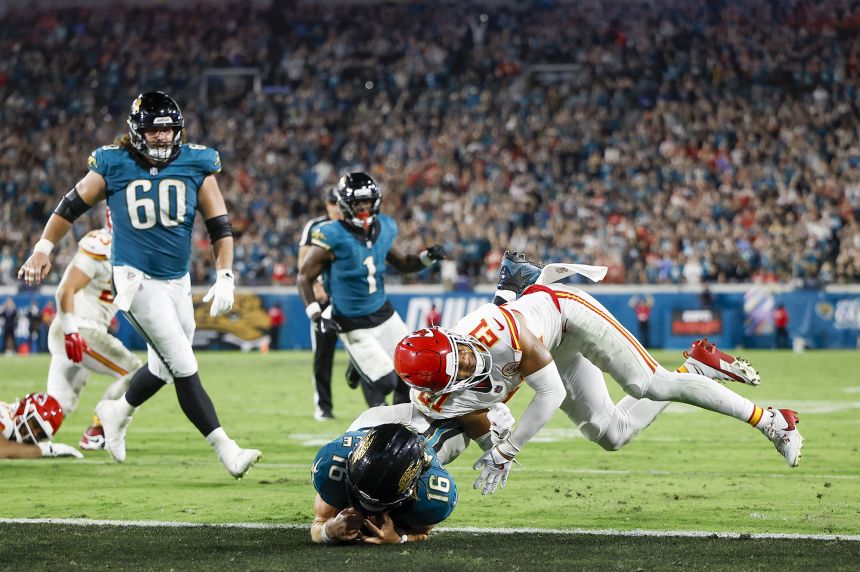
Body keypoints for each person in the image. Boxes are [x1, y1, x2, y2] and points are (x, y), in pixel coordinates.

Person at [393, 256, 802, 496]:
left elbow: (548, 394)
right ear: (440, 388)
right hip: (545, 348)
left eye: (461, 352)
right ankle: (694, 367)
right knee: (612, 434)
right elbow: (476, 415)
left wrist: (508, 450)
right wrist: (491, 440)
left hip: (566, 316)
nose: (470, 359)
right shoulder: (440, 399)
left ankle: (772, 420)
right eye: (461, 368)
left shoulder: (498, 332)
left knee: (650, 385)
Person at [17, 91, 261, 479]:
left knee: (161, 368)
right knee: (182, 362)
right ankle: (226, 448)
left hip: (177, 281)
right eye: (154, 130)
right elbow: (69, 206)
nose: (163, 138)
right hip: (134, 280)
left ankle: (117, 411)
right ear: (137, 131)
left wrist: (226, 274)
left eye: (168, 130)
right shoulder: (112, 163)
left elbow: (220, 226)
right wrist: (43, 248)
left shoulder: (198, 162)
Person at [297, 172, 446, 408]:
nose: (364, 207)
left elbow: (405, 263)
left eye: (367, 201)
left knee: (412, 372)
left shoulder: (384, 227)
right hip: (351, 320)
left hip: (383, 313)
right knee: (384, 382)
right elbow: (304, 277)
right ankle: (357, 366)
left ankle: (399, 422)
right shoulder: (331, 234)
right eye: (358, 202)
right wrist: (316, 315)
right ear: (346, 204)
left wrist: (427, 258)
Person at [46, 216, 143, 451]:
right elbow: (65, 290)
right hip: (79, 328)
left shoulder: (134, 249)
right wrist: (72, 331)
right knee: (137, 373)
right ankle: (99, 429)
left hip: (77, 328)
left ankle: (12, 433)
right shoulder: (103, 244)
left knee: (58, 405)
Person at [311, 423, 457, 545]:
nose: (368, 514)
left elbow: (423, 532)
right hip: (371, 421)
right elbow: (319, 522)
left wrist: (400, 538)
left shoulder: (431, 494)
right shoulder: (334, 465)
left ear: (412, 488)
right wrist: (327, 531)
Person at [298, 188, 344, 420]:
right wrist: (316, 287)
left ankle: (376, 402)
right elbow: (303, 262)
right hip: (325, 301)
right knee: (323, 356)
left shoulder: (352, 226)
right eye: (332, 202)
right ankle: (323, 406)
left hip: (348, 300)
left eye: (339, 202)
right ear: (326, 205)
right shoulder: (316, 227)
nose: (336, 207)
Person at [0, 393, 83, 459]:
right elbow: (2, 450)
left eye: (41, 434)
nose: (35, 434)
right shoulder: (4, 415)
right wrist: (44, 450)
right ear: (23, 410)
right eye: (35, 425)